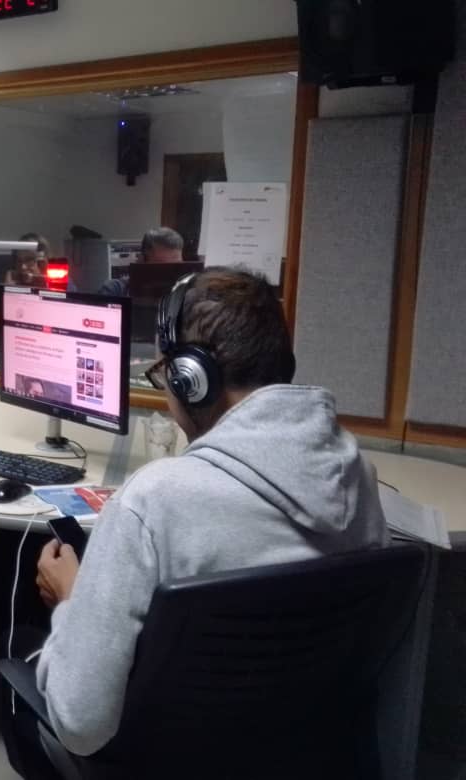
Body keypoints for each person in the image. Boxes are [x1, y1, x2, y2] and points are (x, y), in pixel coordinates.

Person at [29, 267, 389, 758]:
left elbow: (80, 724)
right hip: (301, 749)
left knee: (17, 664)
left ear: (191, 379)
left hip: (160, 758)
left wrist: (72, 600)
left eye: (166, 374)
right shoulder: (359, 477)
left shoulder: (151, 500)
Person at [97, 227, 185, 296]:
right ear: (141, 261)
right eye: (163, 267)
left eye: (176, 266)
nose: (170, 274)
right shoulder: (115, 290)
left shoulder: (186, 295)